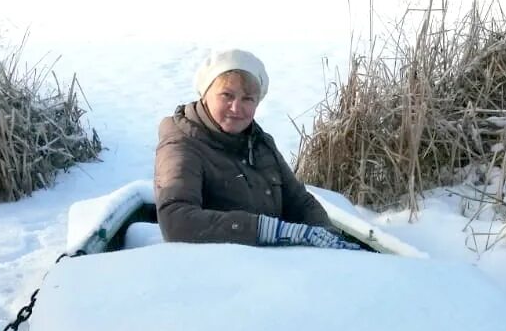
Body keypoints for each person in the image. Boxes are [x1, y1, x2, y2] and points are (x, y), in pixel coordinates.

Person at [154, 48, 359, 249]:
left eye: (247, 99)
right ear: (205, 95)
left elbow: (300, 202)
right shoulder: (181, 144)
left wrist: (327, 237)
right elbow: (176, 221)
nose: (236, 108)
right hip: (220, 272)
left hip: (278, 267)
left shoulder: (261, 143)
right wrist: (265, 229)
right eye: (227, 95)